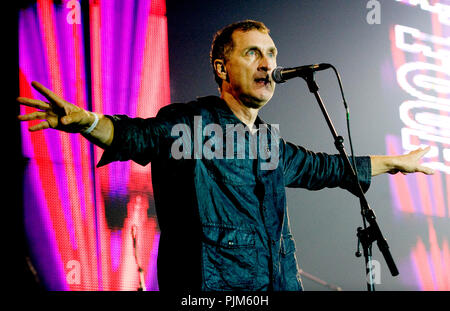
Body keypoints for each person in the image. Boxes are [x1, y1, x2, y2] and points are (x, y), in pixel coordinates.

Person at [17, 20, 434, 291]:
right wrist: (86, 122)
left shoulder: (271, 144)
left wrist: (397, 162)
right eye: (253, 52)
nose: (268, 64)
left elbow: (328, 167)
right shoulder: (190, 123)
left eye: (272, 54)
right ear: (222, 67)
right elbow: (136, 134)